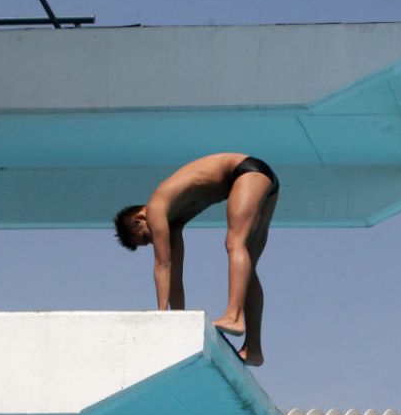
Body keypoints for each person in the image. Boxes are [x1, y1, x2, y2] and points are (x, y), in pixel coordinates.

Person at [114, 153, 279, 366]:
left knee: (235, 244)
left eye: (147, 237)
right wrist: (178, 319)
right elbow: (175, 275)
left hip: (247, 172)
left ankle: (234, 316)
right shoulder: (174, 222)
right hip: (263, 178)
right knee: (247, 263)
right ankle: (253, 349)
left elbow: (162, 264)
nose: (155, 240)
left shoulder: (155, 207)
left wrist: (161, 316)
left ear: (140, 218)